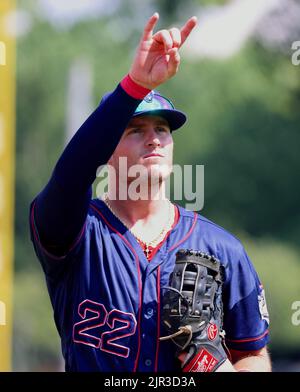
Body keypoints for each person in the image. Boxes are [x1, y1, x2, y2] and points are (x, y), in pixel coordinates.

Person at [29, 13, 271, 372]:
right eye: (135, 130)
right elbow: (70, 177)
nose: (155, 138)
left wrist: (213, 366)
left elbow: (252, 354)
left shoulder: (222, 249)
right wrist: (133, 87)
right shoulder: (77, 232)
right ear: (106, 149)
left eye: (162, 128)